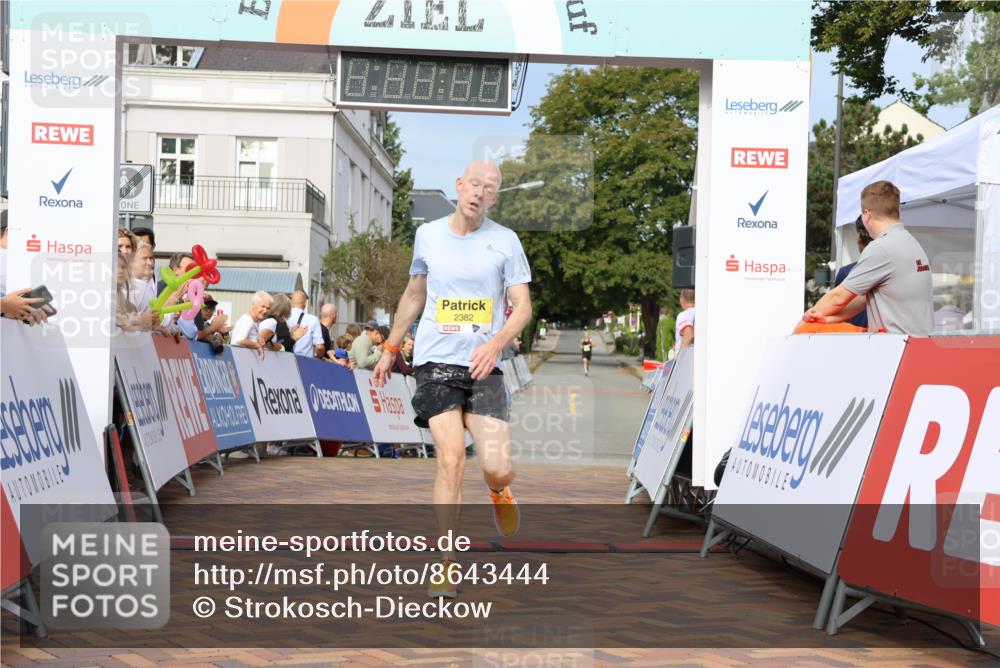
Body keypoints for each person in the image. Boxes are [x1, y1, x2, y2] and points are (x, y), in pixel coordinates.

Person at [373, 159, 532, 599]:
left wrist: (495, 343)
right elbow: (414, 294)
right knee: (451, 458)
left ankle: (499, 492)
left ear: (495, 197)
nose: (479, 192)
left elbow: (522, 307)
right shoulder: (428, 235)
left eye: (489, 188)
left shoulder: (505, 241)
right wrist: (390, 348)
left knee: (498, 467)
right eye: (474, 184)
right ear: (459, 185)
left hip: (484, 365)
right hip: (436, 362)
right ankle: (446, 562)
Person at [803, 180, 933, 335]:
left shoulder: (881, 247)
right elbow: (865, 298)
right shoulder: (911, 243)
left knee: (804, 329)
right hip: (917, 342)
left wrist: (807, 320)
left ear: (867, 215)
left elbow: (837, 298)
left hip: (896, 344)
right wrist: (831, 318)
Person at [831, 216, 873, 330]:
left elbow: (836, 310)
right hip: (891, 338)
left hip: (853, 337)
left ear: (859, 237)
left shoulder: (846, 273)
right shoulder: (896, 271)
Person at [231, 290, 273, 359]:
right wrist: (257, 345)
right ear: (253, 304)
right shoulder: (248, 320)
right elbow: (239, 341)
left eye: (268, 308)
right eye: (262, 306)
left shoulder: (255, 322)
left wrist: (258, 341)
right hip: (238, 359)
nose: (265, 310)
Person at [289, 290, 325, 359]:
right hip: (304, 361)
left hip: (285, 359)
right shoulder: (313, 319)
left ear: (291, 302)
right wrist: (319, 356)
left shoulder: (283, 318)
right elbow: (319, 347)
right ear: (305, 303)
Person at [129, 241, 158, 313]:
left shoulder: (151, 280)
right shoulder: (122, 285)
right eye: (145, 258)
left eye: (151, 258)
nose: (150, 262)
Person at [674, 289, 695, 356]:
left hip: (686, 359)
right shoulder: (700, 313)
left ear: (681, 300)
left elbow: (689, 335)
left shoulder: (684, 315)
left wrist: (679, 358)